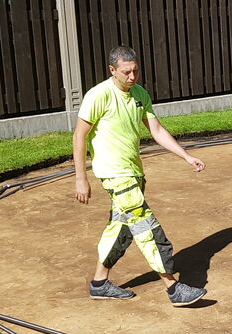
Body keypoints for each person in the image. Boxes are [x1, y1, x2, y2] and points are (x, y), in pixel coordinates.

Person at [72, 46, 207, 307]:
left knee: (121, 227)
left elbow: (156, 130)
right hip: (114, 173)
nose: (132, 76)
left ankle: (99, 283)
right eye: (126, 72)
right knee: (145, 225)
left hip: (134, 171)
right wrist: (81, 178)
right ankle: (173, 287)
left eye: (135, 70)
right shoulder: (99, 95)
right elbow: (79, 136)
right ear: (112, 70)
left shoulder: (139, 93)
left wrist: (186, 156)